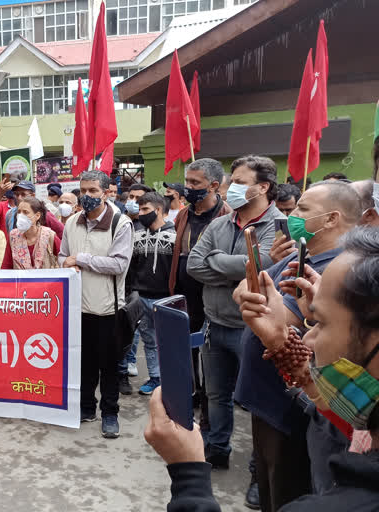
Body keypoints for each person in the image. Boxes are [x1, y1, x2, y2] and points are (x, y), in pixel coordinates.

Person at [147, 227, 379, 512]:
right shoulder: (369, 417)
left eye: (320, 322)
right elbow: (341, 412)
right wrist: (282, 340)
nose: (307, 337)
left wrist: (188, 475)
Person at [232, 181, 360, 511]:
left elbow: (279, 322)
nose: (291, 217)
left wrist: (281, 330)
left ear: (332, 219)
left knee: (290, 489)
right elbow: (244, 293)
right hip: (274, 397)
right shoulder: (299, 255)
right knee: (270, 483)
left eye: (302, 210)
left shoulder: (343, 268)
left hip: (297, 407)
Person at [187, 155, 286, 470]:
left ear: (263, 187)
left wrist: (217, 261)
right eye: (232, 181)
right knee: (216, 397)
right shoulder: (220, 223)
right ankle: (217, 450)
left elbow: (269, 269)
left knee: (260, 403)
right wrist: (244, 267)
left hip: (256, 330)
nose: (230, 188)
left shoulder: (280, 225)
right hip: (215, 326)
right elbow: (193, 265)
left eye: (240, 182)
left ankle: (260, 471)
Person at [59, 170, 134, 439]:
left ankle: (110, 413)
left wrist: (81, 259)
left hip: (107, 309)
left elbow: (118, 264)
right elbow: (62, 257)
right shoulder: (71, 223)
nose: (87, 196)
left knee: (109, 366)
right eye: (83, 191)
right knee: (84, 363)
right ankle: (86, 408)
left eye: (93, 191)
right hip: (77, 308)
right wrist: (69, 261)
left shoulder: (120, 224)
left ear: (105, 192)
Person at [167, 158, 232, 436]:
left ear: (214, 186)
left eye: (195, 183)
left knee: (211, 362)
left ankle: (209, 417)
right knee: (185, 354)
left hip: (212, 299)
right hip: (183, 296)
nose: (188, 188)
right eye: (187, 181)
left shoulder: (227, 216)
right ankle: (189, 402)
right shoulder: (183, 215)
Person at [120, 192, 176, 397]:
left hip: (166, 298)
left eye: (145, 209)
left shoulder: (175, 236)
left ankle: (171, 381)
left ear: (159, 210)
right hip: (141, 297)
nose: (141, 213)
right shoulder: (136, 235)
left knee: (168, 343)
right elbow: (130, 268)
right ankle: (155, 378)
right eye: (140, 209)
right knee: (149, 340)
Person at [0, 179, 64, 240]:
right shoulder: (10, 214)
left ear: (33, 195)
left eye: (23, 194)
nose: (19, 198)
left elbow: (62, 234)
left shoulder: (44, 214)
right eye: (16, 194)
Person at [1, 197, 60, 270]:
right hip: (20, 281)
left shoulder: (49, 235)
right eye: (19, 212)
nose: (20, 216)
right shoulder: (13, 236)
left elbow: (62, 260)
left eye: (25, 212)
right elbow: (6, 266)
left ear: (37, 216)